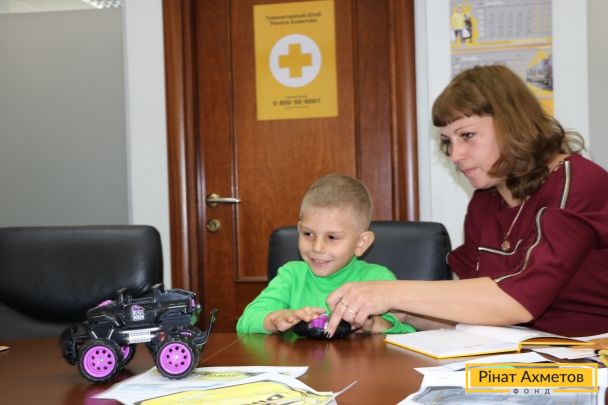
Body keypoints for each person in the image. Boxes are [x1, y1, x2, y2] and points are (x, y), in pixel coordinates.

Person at [325, 65, 608, 337]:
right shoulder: (485, 201)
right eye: (448, 141)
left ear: (513, 125)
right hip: (522, 354)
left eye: (467, 135)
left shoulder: (577, 182)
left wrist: (389, 292)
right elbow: (476, 314)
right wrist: (399, 314)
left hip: (589, 355)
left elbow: (518, 301)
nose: (455, 155)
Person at [236, 173, 415, 335]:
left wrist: (373, 325)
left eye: (332, 237)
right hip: (299, 360)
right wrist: (275, 319)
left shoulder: (379, 280)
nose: (317, 247)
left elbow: (407, 333)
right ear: (299, 229)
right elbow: (245, 322)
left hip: (356, 362)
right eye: (308, 234)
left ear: (361, 243)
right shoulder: (291, 276)